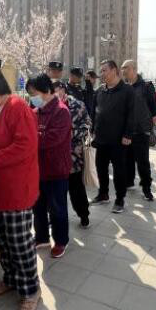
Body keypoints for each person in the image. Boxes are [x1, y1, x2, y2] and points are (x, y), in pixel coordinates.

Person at [0, 64, 41, 310]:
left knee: (19, 242)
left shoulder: (17, 107)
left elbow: (24, 147)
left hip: (15, 189)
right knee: (2, 241)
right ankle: (10, 278)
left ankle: (30, 290)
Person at [26, 73, 72, 258]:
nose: (32, 97)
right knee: (38, 207)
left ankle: (61, 241)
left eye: (33, 93)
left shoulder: (61, 111)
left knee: (57, 208)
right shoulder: (35, 111)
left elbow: (51, 139)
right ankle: (42, 237)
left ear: (45, 90)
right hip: (38, 169)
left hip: (56, 170)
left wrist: (30, 138)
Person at [91, 60, 135, 213]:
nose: (102, 74)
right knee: (100, 167)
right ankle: (103, 194)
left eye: (104, 70)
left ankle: (119, 199)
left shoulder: (127, 91)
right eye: (101, 71)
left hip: (119, 139)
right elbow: (94, 112)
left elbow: (132, 114)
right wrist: (93, 130)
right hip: (101, 138)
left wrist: (128, 134)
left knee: (119, 171)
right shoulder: (100, 91)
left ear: (114, 70)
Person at [53, 81, 91, 228]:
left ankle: (84, 214)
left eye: (56, 89)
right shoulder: (47, 106)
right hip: (54, 157)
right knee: (56, 190)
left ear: (63, 89)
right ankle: (55, 216)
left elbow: (87, 124)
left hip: (73, 155)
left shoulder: (77, 105)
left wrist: (72, 134)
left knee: (76, 188)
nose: (55, 93)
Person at [121, 59, 156, 201]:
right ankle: (129, 182)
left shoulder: (146, 86)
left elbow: (154, 107)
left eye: (126, 68)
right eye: (122, 68)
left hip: (141, 130)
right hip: (126, 131)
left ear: (134, 69)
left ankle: (147, 189)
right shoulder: (124, 87)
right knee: (127, 159)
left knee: (143, 162)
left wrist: (151, 121)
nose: (123, 70)